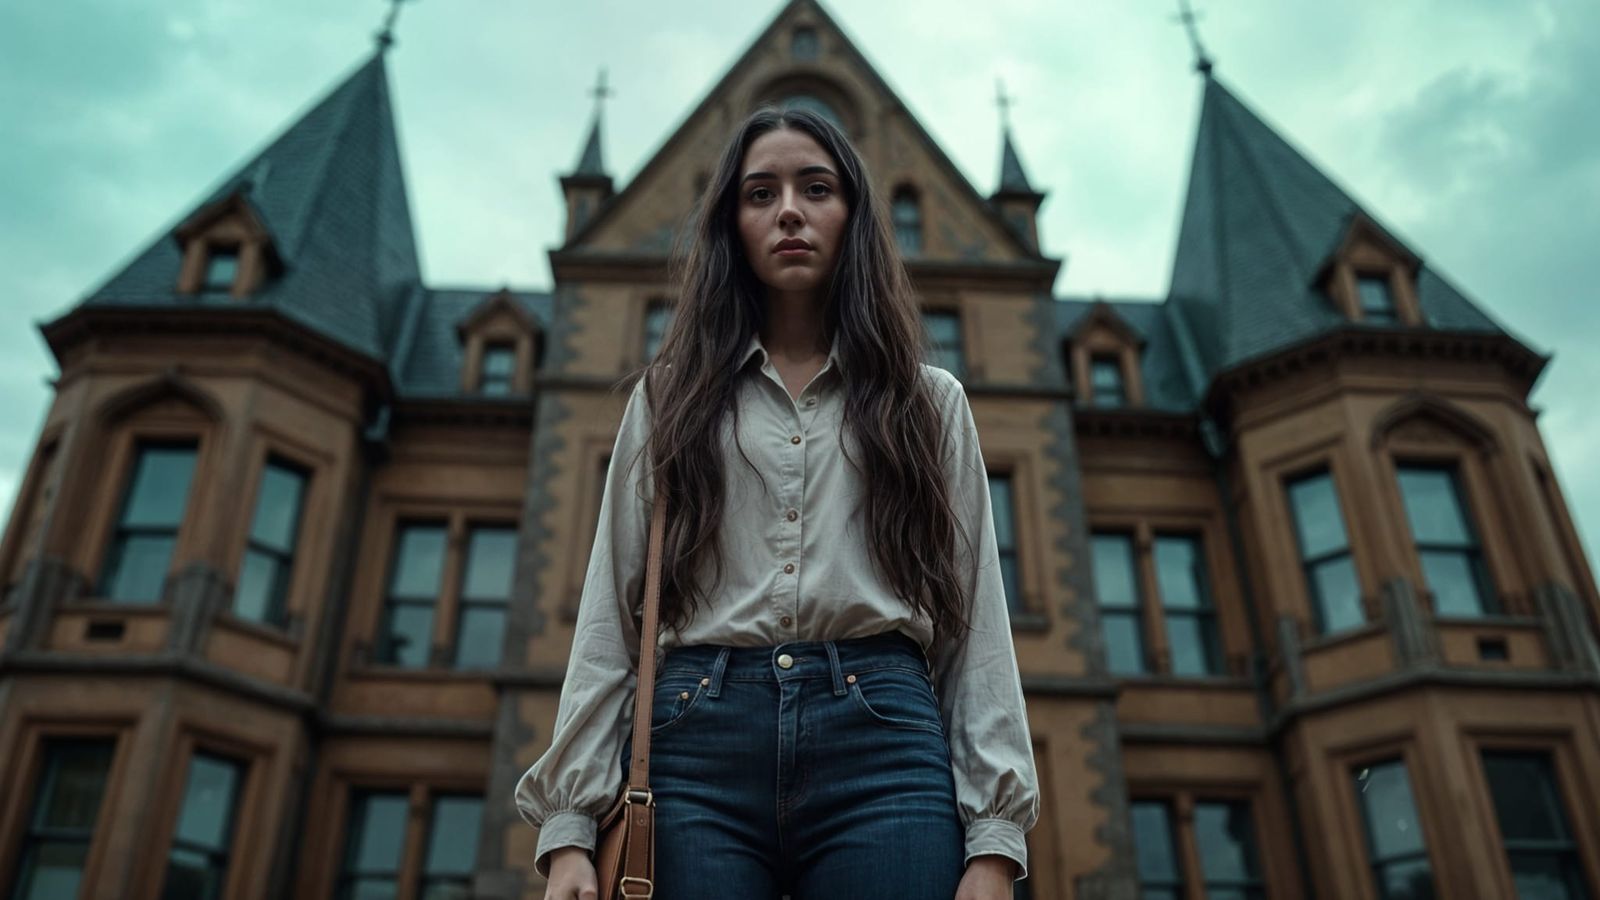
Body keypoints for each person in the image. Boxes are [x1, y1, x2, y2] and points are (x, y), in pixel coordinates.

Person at [515, 105, 1039, 900]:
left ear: (853, 215)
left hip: (886, 753)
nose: (788, 209)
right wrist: (569, 833)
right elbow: (610, 618)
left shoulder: (930, 404)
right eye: (761, 193)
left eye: (815, 188)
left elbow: (977, 628)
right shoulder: (671, 399)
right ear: (733, 223)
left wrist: (995, 846)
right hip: (695, 751)